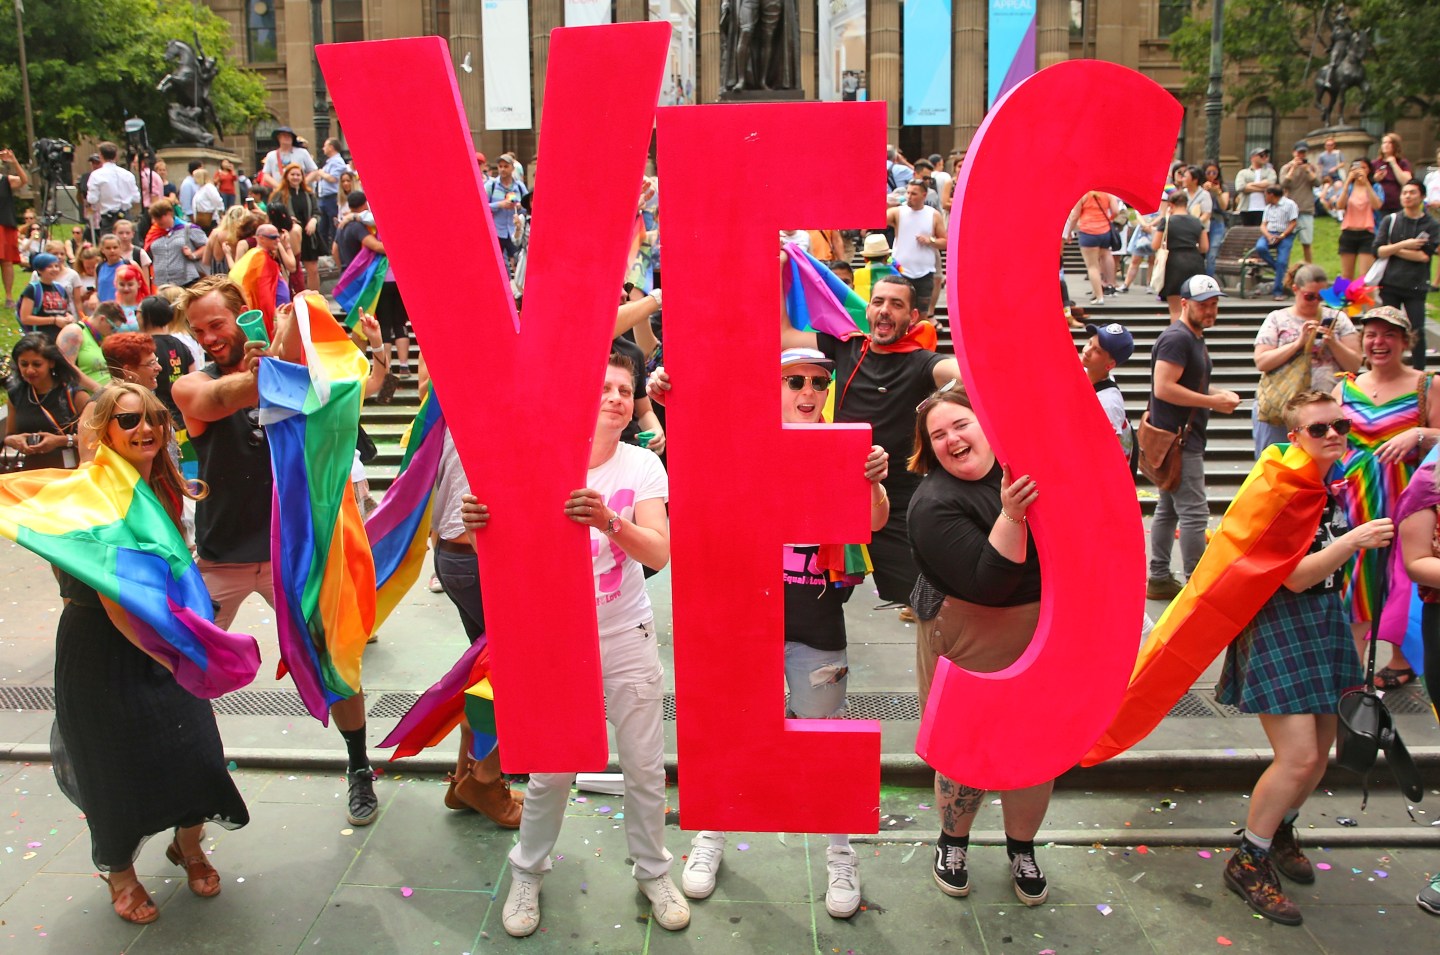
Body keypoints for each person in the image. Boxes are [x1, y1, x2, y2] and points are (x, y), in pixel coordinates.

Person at [476, 353, 689, 939]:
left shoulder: (642, 463)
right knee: (551, 771)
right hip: (558, 642)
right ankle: (527, 872)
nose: (617, 398)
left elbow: (658, 551)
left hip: (627, 634)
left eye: (625, 389)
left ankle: (653, 871)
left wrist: (608, 521)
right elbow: (506, 545)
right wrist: (479, 525)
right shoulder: (537, 462)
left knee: (644, 767)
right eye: (604, 387)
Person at [680, 348, 891, 919]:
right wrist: (670, 387)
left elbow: (873, 521)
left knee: (825, 736)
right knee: (732, 729)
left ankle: (840, 854)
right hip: (745, 619)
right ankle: (712, 833)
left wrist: (874, 482)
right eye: (794, 380)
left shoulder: (843, 448)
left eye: (819, 382)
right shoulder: (741, 445)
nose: (808, 391)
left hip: (815, 619)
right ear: (770, 386)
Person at [172, 275, 379, 826]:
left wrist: (297, 333)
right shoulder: (191, 385)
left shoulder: (287, 364)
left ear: (243, 314)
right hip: (223, 558)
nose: (209, 337)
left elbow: (344, 384)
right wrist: (273, 363)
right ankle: (183, 782)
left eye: (217, 324)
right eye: (198, 330)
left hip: (295, 556)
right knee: (181, 665)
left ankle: (359, 767)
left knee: (337, 660)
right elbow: (224, 398)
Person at [38, 384, 249, 924]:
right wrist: (182, 653)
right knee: (110, 767)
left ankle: (188, 845)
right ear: (105, 430)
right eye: (129, 420)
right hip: (106, 646)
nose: (146, 428)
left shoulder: (162, 485)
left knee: (197, 753)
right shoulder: (94, 492)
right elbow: (117, 601)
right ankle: (120, 873)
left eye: (155, 417)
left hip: (161, 638)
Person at [1216, 390, 1391, 927]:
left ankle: (1278, 830)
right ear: (1294, 437)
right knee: (1296, 757)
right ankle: (1248, 859)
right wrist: (1354, 540)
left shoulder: (1324, 485)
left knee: (1317, 756)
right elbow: (1292, 577)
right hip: (1279, 623)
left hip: (1322, 620)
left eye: (1339, 425)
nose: (1333, 434)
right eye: (1319, 429)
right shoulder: (1282, 491)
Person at [905, 380, 1052, 906]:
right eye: (938, 435)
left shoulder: (1025, 470)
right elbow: (989, 585)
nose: (952, 439)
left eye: (960, 424)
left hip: (1041, 627)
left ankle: (1022, 848)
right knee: (964, 743)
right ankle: (953, 842)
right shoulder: (933, 504)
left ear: (987, 425)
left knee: (1036, 745)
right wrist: (1012, 516)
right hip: (970, 628)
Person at [779, 273, 961, 623]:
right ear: (868, 310)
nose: (885, 310)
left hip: (900, 504)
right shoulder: (845, 346)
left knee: (930, 602)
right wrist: (781, 269)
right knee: (817, 593)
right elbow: (784, 336)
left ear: (913, 317)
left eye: (896, 304)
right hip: (841, 495)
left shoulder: (921, 361)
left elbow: (960, 373)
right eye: (878, 302)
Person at [1333, 306, 1438, 688]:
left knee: (1404, 577)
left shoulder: (1427, 385)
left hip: (1409, 503)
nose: (1379, 342)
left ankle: (1402, 656)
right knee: (1356, 580)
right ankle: (1352, 674)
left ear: (1405, 341)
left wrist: (1419, 434)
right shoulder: (1345, 387)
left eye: (1389, 335)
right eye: (1371, 335)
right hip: (1354, 501)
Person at [428, 429, 526, 827]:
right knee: (520, 677)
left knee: (488, 677)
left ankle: (464, 780)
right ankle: (484, 779)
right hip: (481, 557)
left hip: (454, 555)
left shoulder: (461, 409)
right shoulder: (504, 410)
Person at [1146, 275, 1243, 600]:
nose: (1210, 310)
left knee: (1169, 509)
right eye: (1204, 305)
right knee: (1194, 513)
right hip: (1179, 441)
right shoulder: (1178, 339)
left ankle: (1160, 576)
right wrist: (1213, 402)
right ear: (1185, 304)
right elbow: (1164, 388)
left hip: (1176, 438)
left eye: (1214, 304)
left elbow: (1184, 383)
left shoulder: (1191, 336)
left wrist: (1217, 394)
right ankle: (1197, 589)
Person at [1251, 264, 1362, 457]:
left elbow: (1354, 364)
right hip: (1282, 407)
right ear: (1295, 289)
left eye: (1320, 297)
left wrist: (1333, 342)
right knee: (1277, 463)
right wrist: (1298, 344)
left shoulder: (1339, 319)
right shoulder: (1277, 318)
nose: (1315, 302)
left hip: (1326, 411)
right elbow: (1262, 361)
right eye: (1310, 296)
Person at [1372, 179, 1438, 369]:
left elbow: (1424, 256)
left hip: (1416, 285)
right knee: (1389, 328)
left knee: (1417, 329)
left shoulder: (1431, 224)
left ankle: (1419, 371)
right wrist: (1404, 245)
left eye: (1412, 192)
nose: (1407, 196)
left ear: (1422, 197)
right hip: (1390, 283)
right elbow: (1377, 250)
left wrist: (1392, 249)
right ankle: (1389, 367)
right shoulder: (1391, 220)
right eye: (1404, 193)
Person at [3, 333, 87, 469]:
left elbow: (97, 438)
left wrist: (60, 441)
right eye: (24, 364)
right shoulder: (16, 395)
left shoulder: (74, 395)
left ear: (51, 363)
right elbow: (9, 435)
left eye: (37, 364)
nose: (30, 370)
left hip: (71, 471)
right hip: (31, 472)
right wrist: (14, 440)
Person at [886, 179, 946, 314]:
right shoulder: (898, 212)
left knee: (922, 312)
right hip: (901, 271)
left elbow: (945, 241)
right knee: (899, 311)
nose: (909, 196)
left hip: (925, 272)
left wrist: (930, 240)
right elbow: (878, 218)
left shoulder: (933, 214)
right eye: (908, 193)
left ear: (924, 195)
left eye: (914, 194)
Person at [1081, 322, 1136, 461]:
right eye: (1089, 343)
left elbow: (1109, 455)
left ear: (1110, 365)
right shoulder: (1085, 372)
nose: (1087, 351)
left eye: (1097, 351)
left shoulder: (1108, 403)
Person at [1155, 191, 1209, 319]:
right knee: (1194, 306)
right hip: (1195, 263)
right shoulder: (1197, 221)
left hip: (1174, 263)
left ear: (1171, 205)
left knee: (1176, 310)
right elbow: (1204, 247)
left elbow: (1155, 245)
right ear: (1186, 204)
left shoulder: (1167, 221)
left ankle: (1178, 331)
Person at [271, 162, 323, 293]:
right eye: (292, 174)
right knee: (293, 270)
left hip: (309, 234)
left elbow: (317, 212)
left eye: (298, 175)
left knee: (313, 269)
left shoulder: (309, 194)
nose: (295, 177)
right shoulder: (279, 194)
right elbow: (274, 213)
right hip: (290, 235)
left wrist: (313, 221)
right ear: (287, 176)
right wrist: (287, 220)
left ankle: (315, 298)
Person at [1065, 190, 1121, 305]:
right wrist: (1109, 219)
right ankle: (1111, 284)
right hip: (1105, 231)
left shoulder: (1083, 194)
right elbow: (1116, 211)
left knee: (1092, 266)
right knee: (1106, 255)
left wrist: (1069, 232)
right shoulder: (1107, 193)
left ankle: (1099, 296)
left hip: (1088, 231)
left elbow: (1075, 215)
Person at [144, 197, 207, 289]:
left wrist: (193, 255)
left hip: (186, 281)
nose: (158, 221)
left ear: (169, 213)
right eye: (155, 218)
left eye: (160, 217)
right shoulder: (154, 232)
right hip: (161, 283)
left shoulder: (187, 229)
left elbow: (206, 246)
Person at [1337, 159, 1384, 280]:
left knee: (1364, 276)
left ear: (1369, 170)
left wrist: (1366, 183)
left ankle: (1362, 293)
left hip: (1367, 233)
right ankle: (1344, 293)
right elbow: (1339, 205)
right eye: (1357, 167)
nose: (1359, 170)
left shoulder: (1376, 187)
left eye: (1363, 167)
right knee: (1346, 276)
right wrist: (1347, 182)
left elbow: (1377, 205)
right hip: (1348, 233)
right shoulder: (1349, 187)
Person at [16, 252, 75, 342]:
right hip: (39, 339)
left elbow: (64, 311)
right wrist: (54, 320)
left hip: (60, 338)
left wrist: (69, 316)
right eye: (50, 267)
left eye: (56, 266)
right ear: (40, 270)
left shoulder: (60, 289)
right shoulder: (32, 289)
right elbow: (25, 318)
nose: (54, 269)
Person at [1254, 185, 1299, 301]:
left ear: (1271, 195)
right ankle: (1280, 270)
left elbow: (1293, 223)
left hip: (1285, 235)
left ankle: (1277, 292)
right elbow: (1263, 225)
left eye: (1266, 195)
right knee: (1260, 247)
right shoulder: (1268, 207)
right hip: (1270, 233)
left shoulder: (1290, 204)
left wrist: (1282, 235)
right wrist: (1268, 236)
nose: (1265, 197)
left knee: (1282, 261)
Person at [86, 142, 139, 236]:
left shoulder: (96, 175)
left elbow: (92, 199)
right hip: (126, 216)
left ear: (100, 156)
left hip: (109, 219)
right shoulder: (128, 174)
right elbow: (136, 198)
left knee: (109, 242)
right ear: (116, 156)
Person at [1280, 142, 1319, 265]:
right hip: (1289, 210)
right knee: (1286, 243)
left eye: (1304, 153)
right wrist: (1293, 169)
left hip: (1306, 209)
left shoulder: (1311, 167)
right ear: (1294, 153)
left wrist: (1307, 170)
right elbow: (1283, 184)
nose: (1301, 155)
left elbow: (1318, 183)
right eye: (1299, 152)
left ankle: (1309, 268)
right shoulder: (1286, 168)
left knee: (1307, 242)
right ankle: (1285, 269)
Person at [487, 154, 528, 268]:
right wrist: (499, 205)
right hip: (496, 231)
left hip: (515, 232)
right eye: (500, 166)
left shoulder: (519, 187)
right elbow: (482, 206)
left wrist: (519, 206)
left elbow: (529, 206)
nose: (503, 169)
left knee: (517, 263)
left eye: (506, 166)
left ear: (512, 168)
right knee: (497, 265)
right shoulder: (491, 185)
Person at [0, 146, 27, 310]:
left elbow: (24, 180)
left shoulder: (5, 180)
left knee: (7, 262)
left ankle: (9, 296)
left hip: (4, 224)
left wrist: (14, 161)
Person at [313, 138, 347, 252]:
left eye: (325, 146)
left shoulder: (337, 161)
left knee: (333, 226)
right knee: (323, 226)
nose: (323, 148)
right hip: (324, 198)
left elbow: (333, 178)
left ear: (331, 147)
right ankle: (325, 251)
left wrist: (321, 173)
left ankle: (334, 251)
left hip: (332, 197)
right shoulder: (330, 162)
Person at [1371, 132, 1413, 216]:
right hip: (1379, 205)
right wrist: (1375, 179)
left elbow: (1406, 181)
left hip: (1397, 205)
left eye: (1389, 143)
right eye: (1384, 143)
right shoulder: (1375, 163)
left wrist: (1394, 164)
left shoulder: (1402, 163)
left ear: (1395, 145)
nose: (1386, 145)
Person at [1234, 147, 1277, 226]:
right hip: (1246, 208)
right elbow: (1240, 187)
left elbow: (1271, 184)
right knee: (1247, 231)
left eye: (1266, 155)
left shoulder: (1270, 172)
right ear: (1253, 157)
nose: (1264, 157)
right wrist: (1263, 187)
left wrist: (1250, 185)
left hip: (1265, 208)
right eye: (1261, 155)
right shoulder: (1243, 173)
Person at [191, 168, 224, 233]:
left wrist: (220, 214)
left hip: (210, 219)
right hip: (201, 219)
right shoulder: (200, 188)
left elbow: (217, 201)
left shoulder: (209, 187)